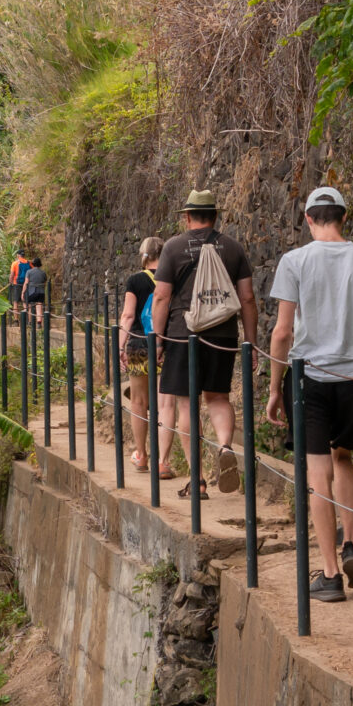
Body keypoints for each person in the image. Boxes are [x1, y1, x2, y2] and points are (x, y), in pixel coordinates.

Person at [265, 186, 353, 604]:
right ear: (344, 217)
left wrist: (273, 388)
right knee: (343, 456)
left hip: (311, 378)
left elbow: (283, 332)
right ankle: (352, 543)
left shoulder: (295, 261)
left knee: (316, 471)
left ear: (308, 219)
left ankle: (329, 574)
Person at [152, 191, 258, 501]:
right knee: (218, 397)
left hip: (182, 335)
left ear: (187, 217)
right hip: (222, 335)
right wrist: (250, 341)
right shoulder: (233, 248)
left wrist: (158, 340)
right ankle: (225, 445)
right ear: (215, 216)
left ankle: (197, 480)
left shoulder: (172, 248)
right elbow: (248, 298)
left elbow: (161, 297)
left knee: (186, 404)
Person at [115, 237, 166, 474]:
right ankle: (163, 460)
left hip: (138, 344)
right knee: (164, 404)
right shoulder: (171, 278)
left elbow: (128, 315)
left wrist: (120, 346)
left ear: (144, 256)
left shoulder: (135, 280)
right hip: (166, 344)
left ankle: (142, 455)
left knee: (138, 402)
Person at [22, 255, 49, 332]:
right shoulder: (43, 273)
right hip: (41, 292)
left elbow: (26, 282)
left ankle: (30, 322)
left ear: (33, 264)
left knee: (29, 306)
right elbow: (44, 282)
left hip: (32, 292)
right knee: (39, 305)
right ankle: (39, 322)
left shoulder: (29, 272)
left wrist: (23, 292)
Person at [9, 249, 31, 316]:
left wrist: (10, 282)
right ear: (24, 255)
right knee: (26, 302)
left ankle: (16, 320)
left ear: (18, 255)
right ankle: (29, 320)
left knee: (16, 302)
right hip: (27, 284)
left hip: (17, 284)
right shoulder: (29, 263)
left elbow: (12, 274)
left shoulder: (15, 263)